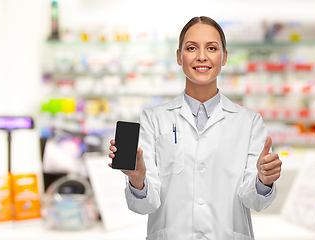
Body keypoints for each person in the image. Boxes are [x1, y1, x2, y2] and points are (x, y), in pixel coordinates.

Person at [108, 16, 282, 240]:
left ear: (224, 57)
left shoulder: (249, 122)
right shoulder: (153, 119)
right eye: (191, 48)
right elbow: (145, 206)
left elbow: (254, 201)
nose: (202, 56)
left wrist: (263, 180)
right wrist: (138, 178)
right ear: (179, 56)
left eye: (211, 48)